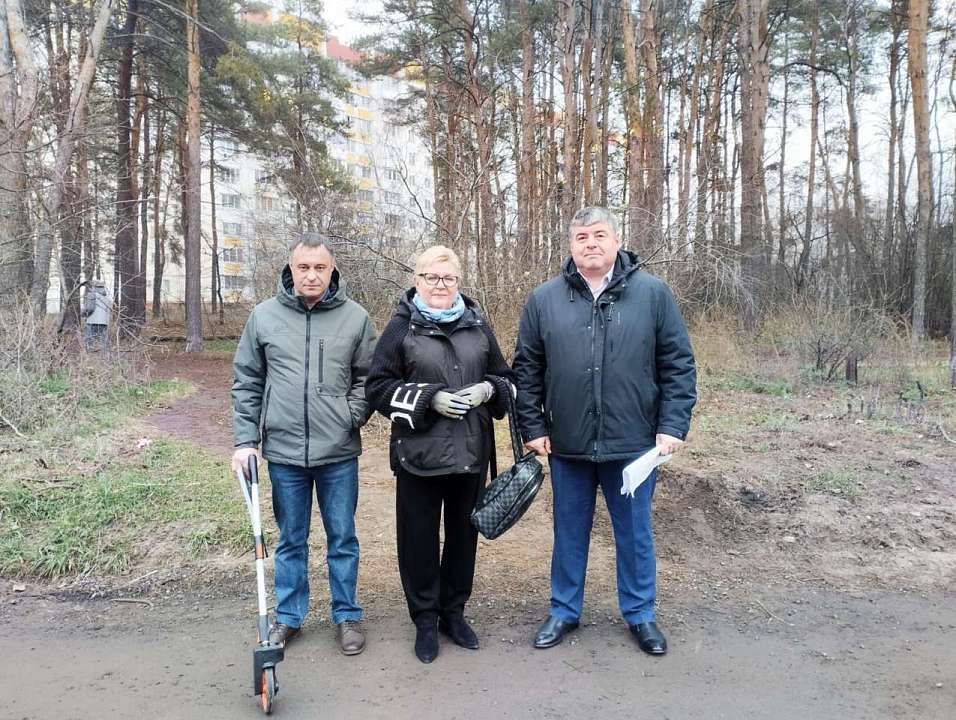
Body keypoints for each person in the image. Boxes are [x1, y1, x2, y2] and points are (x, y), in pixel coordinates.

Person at [513, 206, 697, 656]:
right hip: (567, 442)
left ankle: (640, 614)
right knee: (568, 531)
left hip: (634, 444)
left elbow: (678, 365)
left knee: (635, 534)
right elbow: (527, 368)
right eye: (581, 237)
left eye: (599, 235)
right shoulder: (544, 300)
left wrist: (671, 426)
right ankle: (563, 610)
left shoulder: (652, 294)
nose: (590, 244)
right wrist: (532, 427)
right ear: (571, 246)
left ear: (616, 241)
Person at [365, 245, 515, 664]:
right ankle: (426, 620)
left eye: (447, 278)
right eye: (431, 277)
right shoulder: (401, 329)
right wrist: (428, 399)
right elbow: (377, 388)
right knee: (418, 542)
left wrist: (489, 389)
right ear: (417, 280)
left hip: (471, 453)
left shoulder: (478, 326)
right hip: (419, 457)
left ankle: (454, 614)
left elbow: (506, 379)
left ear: (458, 283)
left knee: (464, 540)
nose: (439, 285)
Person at [232, 232, 376, 656]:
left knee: (343, 538)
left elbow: (370, 378)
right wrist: (246, 440)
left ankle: (347, 615)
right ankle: (290, 617)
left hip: (338, 454)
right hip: (284, 452)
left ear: (332, 270)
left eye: (320, 267)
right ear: (290, 269)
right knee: (290, 539)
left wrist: (350, 415)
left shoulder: (355, 317)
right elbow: (247, 382)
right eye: (303, 267)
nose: (311, 275)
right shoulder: (263, 317)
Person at [83, 279, 111, 350]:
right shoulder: (106, 298)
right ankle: (104, 358)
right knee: (103, 343)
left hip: (92, 321)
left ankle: (87, 357)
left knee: (88, 341)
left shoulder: (92, 295)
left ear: (94, 287)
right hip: (104, 322)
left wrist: (83, 314)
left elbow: (90, 309)